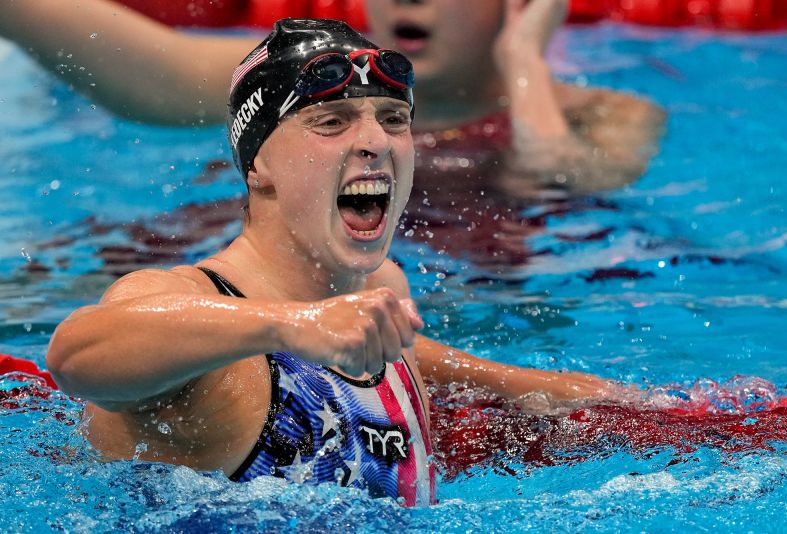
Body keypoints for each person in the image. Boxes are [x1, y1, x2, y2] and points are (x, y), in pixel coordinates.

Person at [45, 19, 612, 504]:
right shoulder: (203, 319)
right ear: (256, 166)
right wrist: (292, 324)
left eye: (393, 119)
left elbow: (380, 342)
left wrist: (540, 389)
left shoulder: (378, 286)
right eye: (332, 121)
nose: (377, 142)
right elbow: (77, 355)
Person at [0, 0, 663, 194]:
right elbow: (148, 78)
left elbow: (563, 180)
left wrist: (522, 60)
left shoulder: (602, 113)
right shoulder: (304, 77)